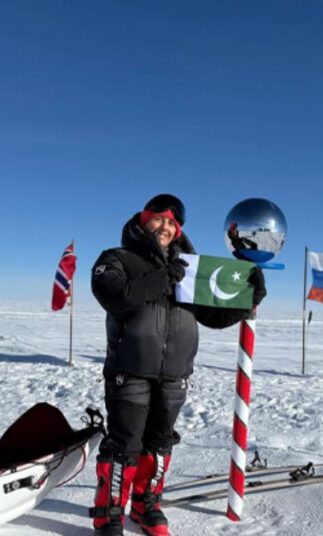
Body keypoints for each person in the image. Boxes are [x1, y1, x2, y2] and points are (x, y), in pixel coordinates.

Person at [88, 194, 266, 536]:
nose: (165, 227)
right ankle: (109, 514)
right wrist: (162, 278)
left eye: (172, 222)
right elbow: (115, 296)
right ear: (144, 220)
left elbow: (213, 314)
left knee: (159, 442)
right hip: (130, 369)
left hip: (174, 373)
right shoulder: (117, 259)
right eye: (159, 219)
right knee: (125, 443)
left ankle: (146, 504)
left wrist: (248, 299)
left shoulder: (190, 267)